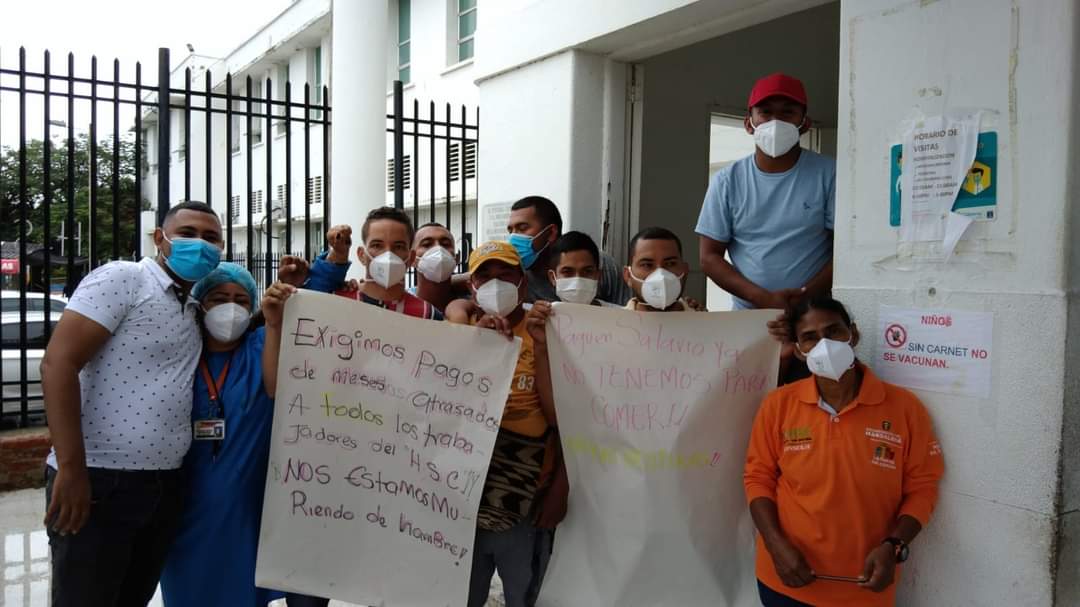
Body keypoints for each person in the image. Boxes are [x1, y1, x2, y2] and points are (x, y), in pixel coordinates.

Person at [40, 200, 223, 607]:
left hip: (164, 486)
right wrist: (72, 468)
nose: (200, 245)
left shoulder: (194, 307)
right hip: (98, 482)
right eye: (188, 234)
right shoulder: (124, 279)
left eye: (211, 238)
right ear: (160, 239)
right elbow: (58, 363)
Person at [744, 297, 944, 607]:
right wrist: (774, 545)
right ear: (799, 350)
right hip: (786, 578)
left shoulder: (904, 408)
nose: (824, 344)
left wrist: (894, 545)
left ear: (853, 334)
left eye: (833, 331)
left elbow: (923, 487)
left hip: (864, 587)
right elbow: (757, 478)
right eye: (810, 337)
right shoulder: (778, 404)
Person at [445, 241, 561, 607]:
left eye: (506, 275)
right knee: (464, 591)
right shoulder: (460, 328)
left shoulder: (546, 328)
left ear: (523, 284)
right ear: (473, 288)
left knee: (524, 589)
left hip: (526, 489)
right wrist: (467, 333)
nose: (496, 284)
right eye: (485, 277)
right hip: (465, 491)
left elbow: (559, 417)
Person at [160, 263, 282, 607]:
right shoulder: (182, 353)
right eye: (219, 298)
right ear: (200, 304)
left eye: (241, 300)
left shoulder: (261, 346)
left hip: (244, 510)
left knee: (242, 591)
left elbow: (278, 382)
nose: (231, 308)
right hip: (185, 506)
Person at [697, 72, 835, 312]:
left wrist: (805, 296)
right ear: (749, 123)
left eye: (787, 112)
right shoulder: (727, 181)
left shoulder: (829, 173)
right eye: (766, 112)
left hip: (813, 316)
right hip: (748, 317)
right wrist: (761, 298)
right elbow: (709, 258)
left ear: (805, 124)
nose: (775, 122)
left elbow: (844, 251)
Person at [279, 207, 442, 320]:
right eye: (377, 245)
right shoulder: (335, 303)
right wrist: (336, 256)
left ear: (411, 257)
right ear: (362, 256)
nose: (388, 254)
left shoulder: (428, 316)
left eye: (398, 246)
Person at [506, 196, 632, 306]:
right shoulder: (518, 277)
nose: (513, 238)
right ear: (552, 277)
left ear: (551, 232)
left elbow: (627, 317)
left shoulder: (602, 264)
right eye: (510, 231)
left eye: (522, 228)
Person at [622, 227, 704, 312]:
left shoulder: (706, 322)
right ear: (628, 276)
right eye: (647, 265)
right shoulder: (609, 323)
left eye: (670, 263)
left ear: (685, 271)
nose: (661, 275)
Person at [411, 221, 461, 312]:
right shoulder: (401, 305)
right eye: (427, 244)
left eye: (445, 244)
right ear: (412, 259)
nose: (439, 249)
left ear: (457, 258)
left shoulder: (473, 305)